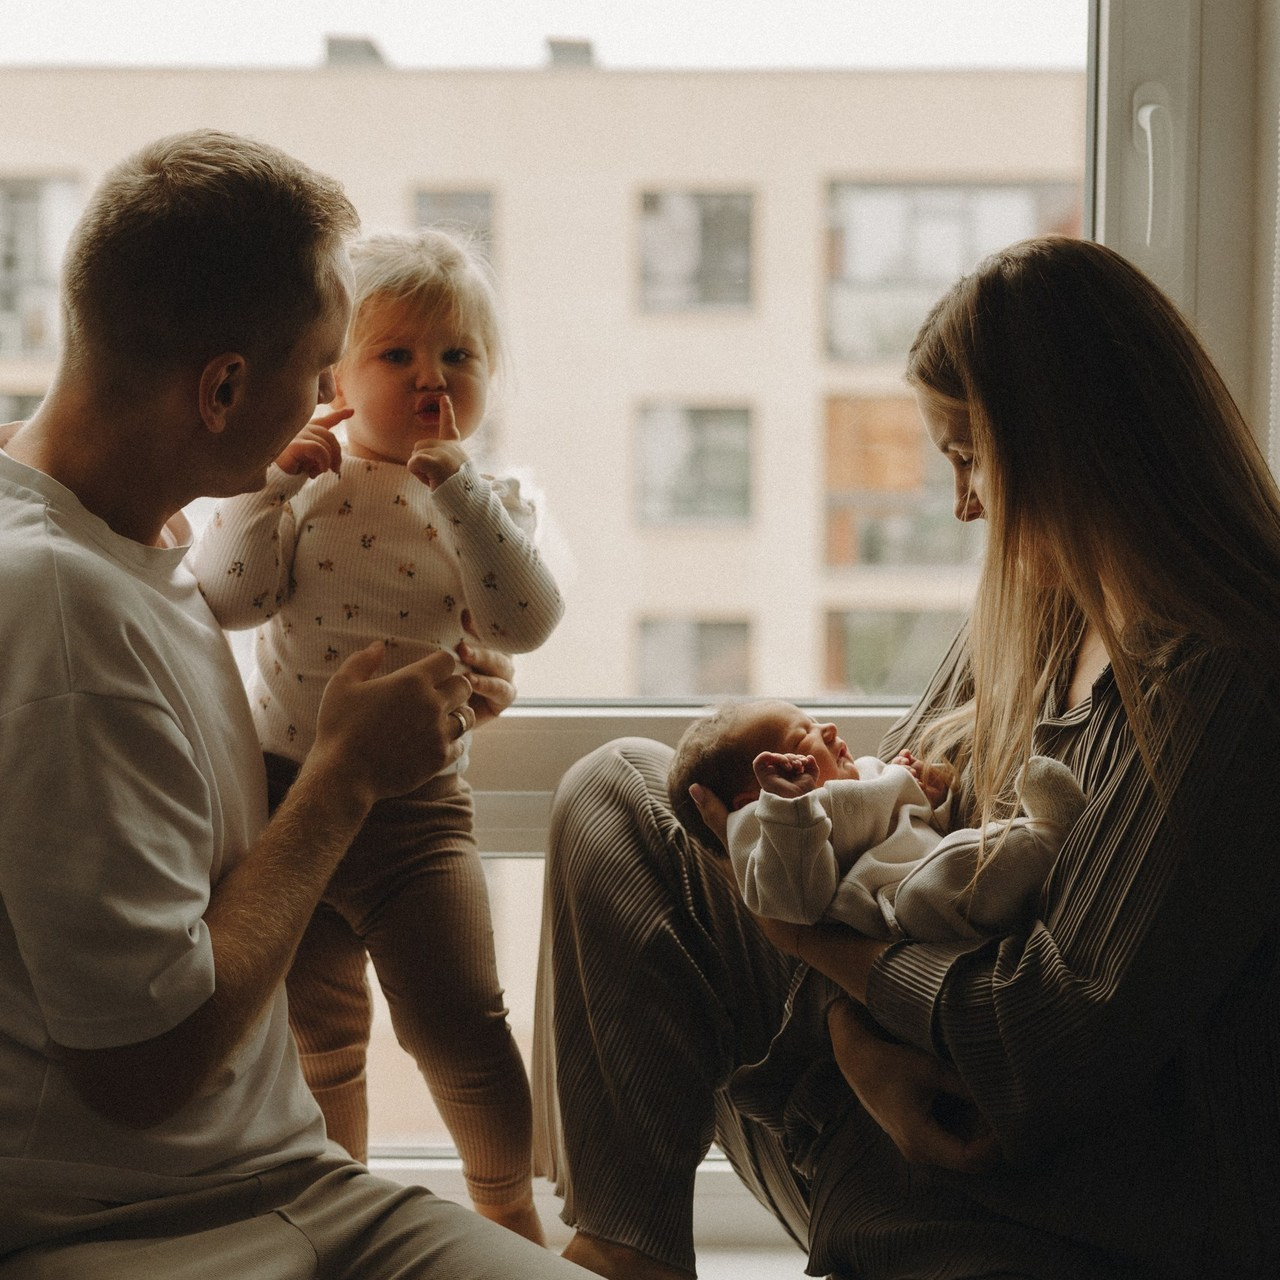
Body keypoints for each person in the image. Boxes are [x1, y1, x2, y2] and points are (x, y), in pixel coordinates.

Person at [534, 236, 1280, 1280]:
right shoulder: (1037, 615)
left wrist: (805, 947)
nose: (966, 504)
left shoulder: (1226, 679)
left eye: (971, 458)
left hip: (1054, 1210)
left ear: (1067, 446)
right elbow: (879, 856)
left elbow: (1045, 1039)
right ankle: (627, 1251)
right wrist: (856, 1050)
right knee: (621, 789)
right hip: (892, 1108)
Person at [0, 129, 589, 1280]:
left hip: (298, 1179)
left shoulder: (135, 528)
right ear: (223, 387)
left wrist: (421, 689)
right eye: (325, 370)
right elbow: (144, 1069)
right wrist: (346, 773)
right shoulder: (62, 611)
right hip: (141, 1230)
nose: (335, 400)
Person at [188, 227, 563, 1243]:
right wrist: (268, 483)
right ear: (338, 378)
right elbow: (227, 598)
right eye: (396, 355)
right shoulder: (302, 477)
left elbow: (522, 620)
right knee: (320, 1040)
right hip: (287, 794)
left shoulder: (489, 498)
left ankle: (504, 1203)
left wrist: (461, 490)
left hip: (418, 810)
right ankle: (335, 1204)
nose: (430, 378)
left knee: (460, 1024)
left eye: (457, 356)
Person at [669, 697, 1085, 939]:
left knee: (965, 851)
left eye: (814, 719)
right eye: (802, 737)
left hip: (934, 877)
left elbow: (919, 820)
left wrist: (933, 795)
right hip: (896, 915)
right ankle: (1052, 835)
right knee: (949, 871)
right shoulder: (768, 824)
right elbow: (796, 903)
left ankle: (1043, 841)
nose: (828, 728)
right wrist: (788, 808)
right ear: (758, 794)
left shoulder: (867, 770)